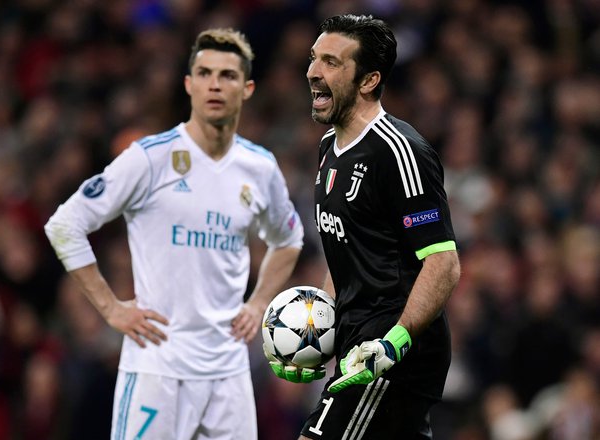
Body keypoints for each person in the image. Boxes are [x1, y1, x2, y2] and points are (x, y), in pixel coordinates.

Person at [45, 28, 303, 440]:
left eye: (227, 75)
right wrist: (110, 308)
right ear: (188, 84)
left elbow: (288, 239)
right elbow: (64, 224)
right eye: (204, 73)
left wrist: (258, 303)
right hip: (157, 367)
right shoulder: (150, 158)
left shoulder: (260, 167)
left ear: (248, 88)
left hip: (227, 372)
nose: (214, 84)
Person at [265, 14, 461, 439]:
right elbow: (350, 256)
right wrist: (310, 329)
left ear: (369, 80)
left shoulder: (400, 151)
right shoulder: (328, 149)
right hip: (359, 346)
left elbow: (443, 264)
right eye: (314, 58)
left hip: (391, 350)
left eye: (332, 62)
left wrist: (394, 344)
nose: (313, 71)